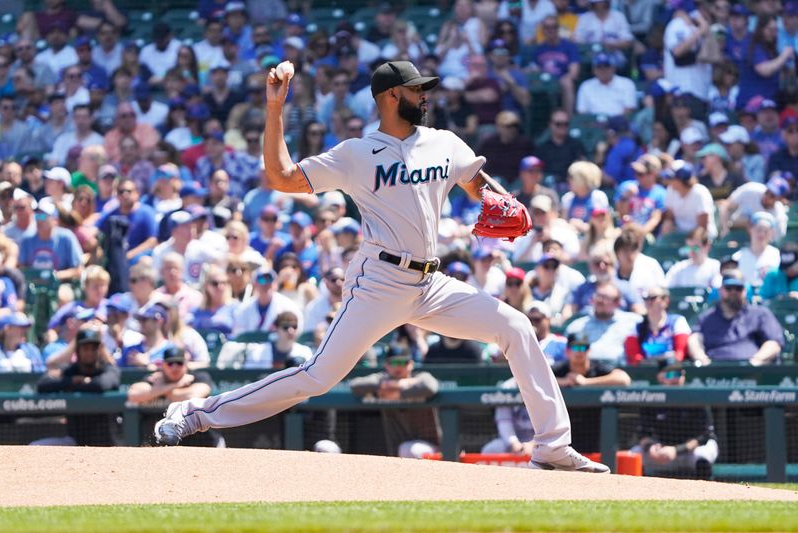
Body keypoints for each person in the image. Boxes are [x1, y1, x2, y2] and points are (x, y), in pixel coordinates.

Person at [154, 59, 609, 473]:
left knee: (516, 327)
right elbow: (280, 177)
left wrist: (501, 198)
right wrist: (275, 111)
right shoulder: (357, 153)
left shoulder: (443, 142)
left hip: (431, 282)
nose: (425, 97)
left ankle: (551, 445)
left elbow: (474, 180)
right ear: (392, 97)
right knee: (317, 377)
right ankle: (195, 414)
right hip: (379, 281)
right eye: (416, 91)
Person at [349, 346, 442, 458]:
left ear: (411, 364)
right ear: (386, 365)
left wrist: (398, 391)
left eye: (403, 362)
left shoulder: (420, 377)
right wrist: (388, 384)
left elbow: (430, 386)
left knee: (410, 449)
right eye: (394, 362)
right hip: (397, 447)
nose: (398, 366)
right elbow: (355, 385)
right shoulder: (382, 379)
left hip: (432, 447)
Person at [34, 327, 120, 446]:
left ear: (99, 350)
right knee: (36, 446)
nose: (89, 352)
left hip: (106, 444)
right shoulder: (71, 371)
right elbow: (43, 384)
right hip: (75, 443)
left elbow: (102, 384)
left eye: (93, 348)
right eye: (85, 348)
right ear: (77, 350)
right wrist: (72, 380)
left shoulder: (107, 369)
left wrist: (78, 384)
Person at [632, 366, 718, 479]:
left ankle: (705, 492)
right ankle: (636, 491)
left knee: (702, 454)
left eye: (679, 374)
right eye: (670, 375)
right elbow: (643, 433)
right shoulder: (651, 398)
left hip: (689, 452)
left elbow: (704, 436)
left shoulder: (696, 396)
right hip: (662, 453)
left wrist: (677, 450)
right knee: (633, 455)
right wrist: (651, 447)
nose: (675, 379)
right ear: (660, 378)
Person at [127, 345, 221, 447]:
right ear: (163, 365)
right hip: (166, 447)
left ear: (186, 364)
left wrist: (159, 390)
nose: (175, 367)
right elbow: (133, 395)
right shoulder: (156, 379)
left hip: (205, 445)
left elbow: (193, 395)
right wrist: (175, 385)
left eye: (179, 363)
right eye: (170, 363)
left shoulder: (197, 377)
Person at [689, 269, 784, 365]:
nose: (733, 292)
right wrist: (701, 359)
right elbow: (695, 339)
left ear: (745, 291)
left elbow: (773, 343)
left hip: (751, 373)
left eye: (738, 288)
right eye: (729, 288)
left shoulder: (760, 314)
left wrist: (757, 360)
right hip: (713, 373)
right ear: (720, 290)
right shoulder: (706, 317)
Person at [564, 280, 642, 366]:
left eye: (605, 298)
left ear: (617, 302)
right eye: (598, 296)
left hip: (620, 370)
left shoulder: (633, 322)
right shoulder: (577, 326)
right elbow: (567, 353)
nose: (600, 301)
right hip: (588, 371)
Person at [217, 310, 312, 369]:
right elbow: (251, 377)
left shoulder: (305, 352)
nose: (290, 331)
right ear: (276, 328)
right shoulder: (258, 352)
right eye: (285, 327)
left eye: (294, 327)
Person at [624, 286, 691, 366]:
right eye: (646, 298)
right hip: (645, 373)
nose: (648, 301)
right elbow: (634, 359)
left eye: (653, 298)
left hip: (672, 372)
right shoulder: (636, 327)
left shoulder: (678, 321)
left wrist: (651, 361)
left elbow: (679, 355)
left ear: (666, 301)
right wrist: (662, 359)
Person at [231, 267, 303, 336]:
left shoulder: (288, 306)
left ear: (275, 284)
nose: (266, 284)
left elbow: (298, 331)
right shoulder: (244, 308)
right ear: (254, 284)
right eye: (261, 280)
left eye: (269, 280)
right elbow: (238, 334)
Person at [480, 376, 535, 455]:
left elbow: (550, 426)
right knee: (490, 450)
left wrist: (533, 444)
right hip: (512, 441)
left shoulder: (544, 385)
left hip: (539, 443)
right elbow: (504, 421)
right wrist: (514, 443)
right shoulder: (507, 387)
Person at [553, 334, 631, 388]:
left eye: (583, 347)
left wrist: (586, 382)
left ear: (589, 351)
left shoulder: (596, 366)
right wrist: (560, 382)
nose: (579, 351)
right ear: (567, 351)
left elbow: (624, 378)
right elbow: (540, 380)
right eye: (575, 347)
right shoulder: (560, 367)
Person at [732, 211, 780, 287]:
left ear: (772, 233)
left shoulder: (778, 255)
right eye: (759, 229)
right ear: (750, 229)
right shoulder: (737, 257)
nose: (762, 234)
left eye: (766, 231)